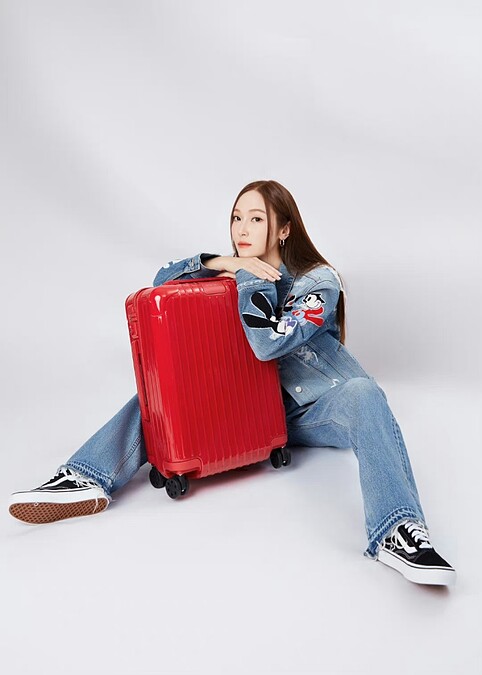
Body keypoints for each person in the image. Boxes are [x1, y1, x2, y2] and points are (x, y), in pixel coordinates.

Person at [8, 179, 456, 587]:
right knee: (165, 393)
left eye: (257, 219)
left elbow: (268, 344)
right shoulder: (238, 268)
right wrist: (219, 262)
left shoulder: (319, 281)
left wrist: (244, 278)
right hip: (259, 410)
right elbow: (160, 282)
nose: (242, 228)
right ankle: (86, 477)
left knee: (364, 393)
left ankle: (396, 530)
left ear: (284, 230)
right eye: (237, 217)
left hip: (320, 409)